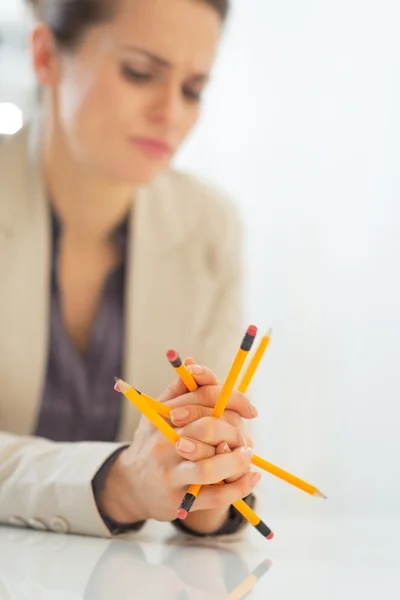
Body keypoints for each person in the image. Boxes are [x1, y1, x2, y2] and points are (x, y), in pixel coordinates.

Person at [0, 0, 260, 538]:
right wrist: (118, 481)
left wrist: (209, 483)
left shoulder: (210, 226)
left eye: (193, 89)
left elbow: (205, 446)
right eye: (140, 73)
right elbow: (136, 477)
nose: (172, 113)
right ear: (46, 56)